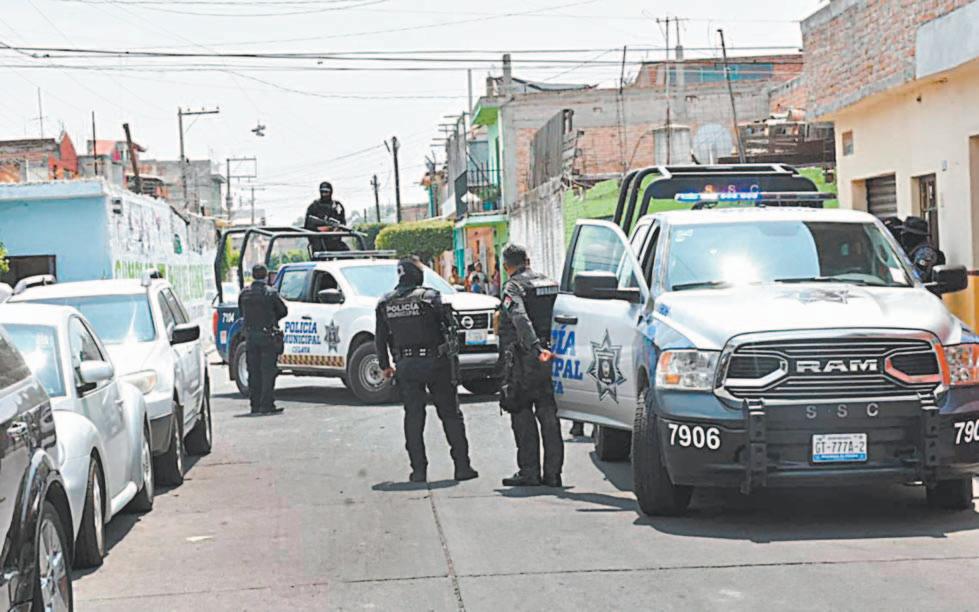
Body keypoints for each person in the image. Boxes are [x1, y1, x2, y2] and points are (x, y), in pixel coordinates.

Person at [375, 257, 479, 483]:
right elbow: (450, 328)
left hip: (406, 365)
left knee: (413, 417)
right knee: (450, 415)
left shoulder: (385, 303)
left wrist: (385, 366)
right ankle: (462, 467)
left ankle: (418, 471)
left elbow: (380, 339)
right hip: (436, 363)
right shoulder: (430, 298)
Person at [498, 244, 563, 487]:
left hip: (526, 359)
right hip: (551, 354)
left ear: (506, 266)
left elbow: (519, 317)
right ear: (528, 260)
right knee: (548, 414)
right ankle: (553, 474)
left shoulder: (513, 287)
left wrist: (534, 348)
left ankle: (529, 472)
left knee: (521, 412)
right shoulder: (551, 283)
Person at [238, 263, 288, 415]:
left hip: (251, 337)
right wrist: (271, 318)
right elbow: (283, 311)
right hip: (267, 337)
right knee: (267, 372)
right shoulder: (270, 293)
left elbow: (241, 313)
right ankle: (267, 405)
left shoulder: (244, 293)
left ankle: (255, 405)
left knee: (253, 372)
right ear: (266, 276)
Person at [900, 216, 946, 281]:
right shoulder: (912, 251)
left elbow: (918, 277)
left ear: (916, 236)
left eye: (906, 234)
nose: (902, 235)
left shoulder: (925, 253)